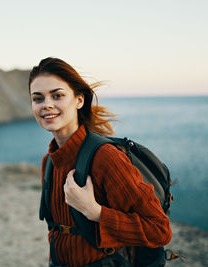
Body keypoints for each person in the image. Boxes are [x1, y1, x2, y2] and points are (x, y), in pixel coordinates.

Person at [29, 57, 172, 267]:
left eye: (57, 95)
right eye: (38, 98)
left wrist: (95, 212)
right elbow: (58, 229)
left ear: (79, 100)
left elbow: (159, 231)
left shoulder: (105, 157)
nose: (47, 105)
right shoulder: (49, 161)